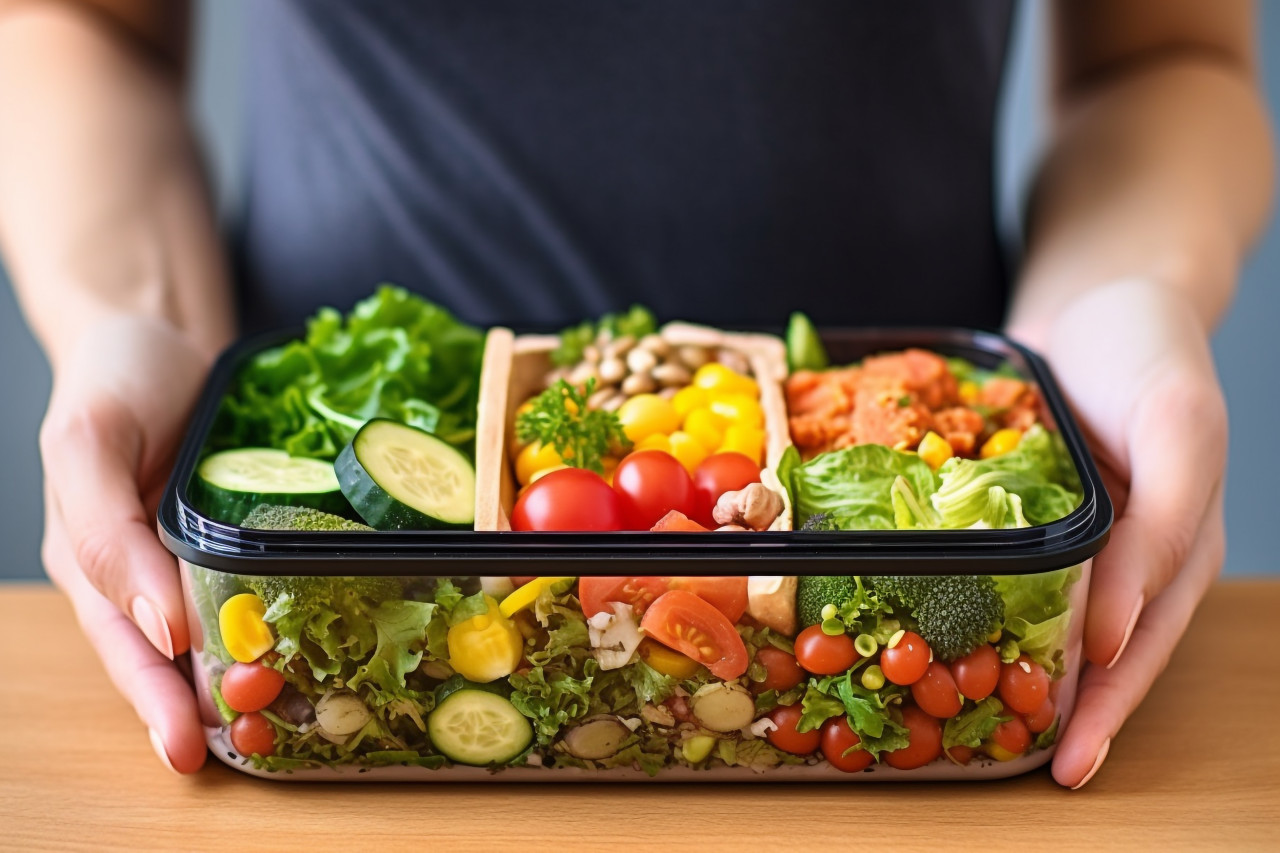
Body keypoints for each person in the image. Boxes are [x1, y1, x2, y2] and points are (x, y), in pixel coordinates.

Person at [0, 0, 1271, 787]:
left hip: (878, 487)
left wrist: (1124, 298)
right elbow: (77, 21)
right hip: (371, 514)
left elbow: (1159, 53)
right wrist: (134, 317)